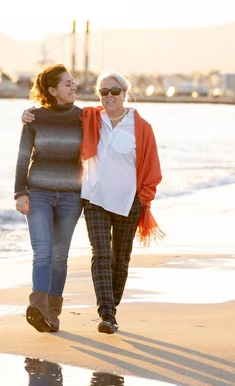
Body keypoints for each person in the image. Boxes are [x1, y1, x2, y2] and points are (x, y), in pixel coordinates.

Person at [21, 70, 163, 334]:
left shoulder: (141, 127)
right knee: (101, 254)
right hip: (94, 198)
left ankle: (111, 307)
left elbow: (153, 167)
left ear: (125, 93)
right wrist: (30, 114)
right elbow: (57, 113)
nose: (109, 96)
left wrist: (144, 199)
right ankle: (106, 314)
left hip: (128, 201)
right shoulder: (90, 117)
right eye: (104, 92)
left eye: (115, 91)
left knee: (120, 259)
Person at [14, 64, 83, 333]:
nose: (73, 87)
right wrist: (20, 192)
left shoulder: (84, 117)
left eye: (73, 82)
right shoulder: (34, 118)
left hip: (71, 196)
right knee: (42, 252)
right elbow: (22, 156)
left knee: (60, 256)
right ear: (52, 90)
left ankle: (52, 315)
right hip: (39, 193)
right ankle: (38, 308)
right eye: (67, 84)